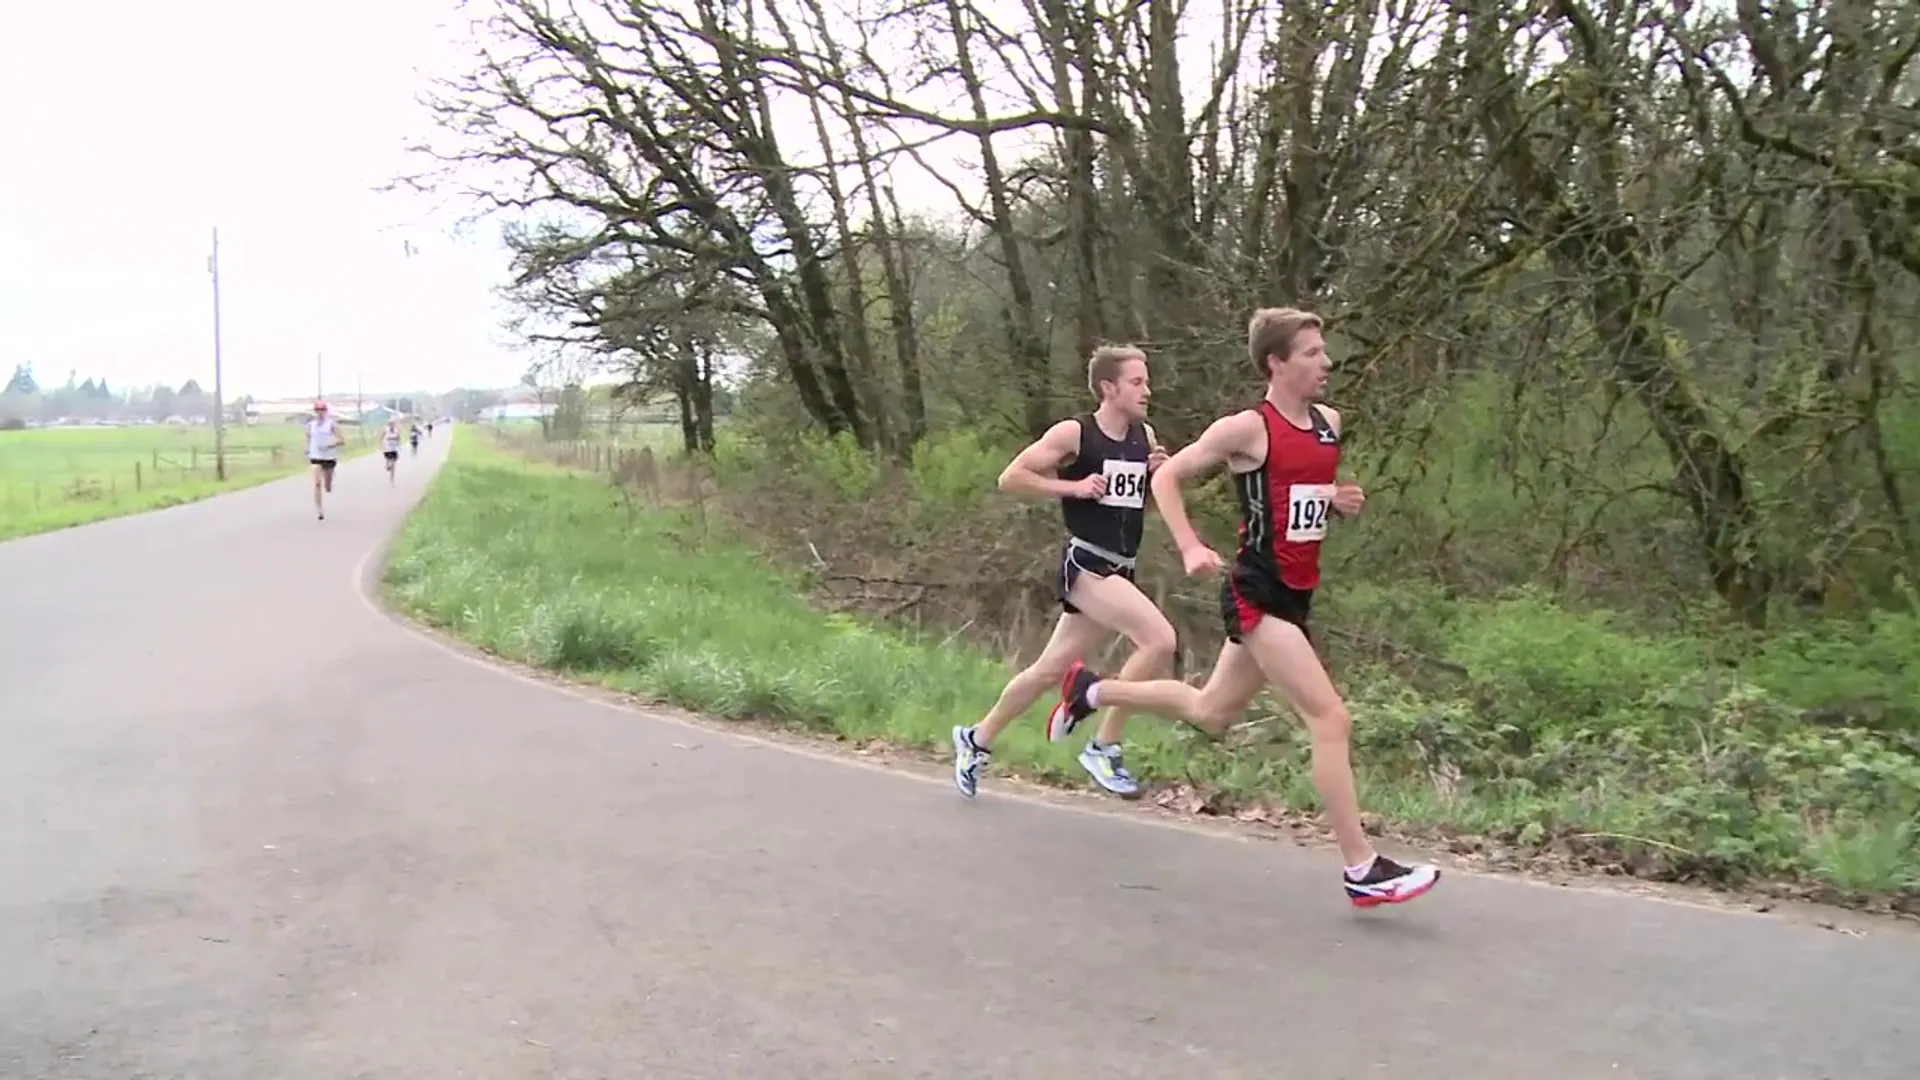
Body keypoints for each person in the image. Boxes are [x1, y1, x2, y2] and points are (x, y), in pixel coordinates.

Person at [1047, 308, 1441, 908]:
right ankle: (1362, 867)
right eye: (1311, 353)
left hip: (1296, 595)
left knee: (1210, 712)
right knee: (1331, 720)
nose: (1326, 363)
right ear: (1276, 364)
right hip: (1256, 593)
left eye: (1324, 351)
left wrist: (1332, 500)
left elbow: (1290, 496)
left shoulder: (1330, 424)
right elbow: (1166, 479)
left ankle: (1092, 692)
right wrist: (1188, 545)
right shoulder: (1245, 428)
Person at [951, 345, 1178, 801]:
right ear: (1108, 388)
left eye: (1146, 381)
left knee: (1048, 670)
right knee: (1159, 640)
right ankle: (1104, 745)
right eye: (1137, 382)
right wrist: (1071, 486)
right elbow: (1011, 476)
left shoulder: (1143, 436)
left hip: (1122, 566)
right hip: (1088, 564)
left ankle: (976, 739)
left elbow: (1138, 508)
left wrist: (1158, 477)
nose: (1147, 390)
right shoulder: (1077, 433)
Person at [306, 400, 345, 520]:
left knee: (327, 486)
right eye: (317, 410)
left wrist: (329, 445)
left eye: (322, 410)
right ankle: (319, 510)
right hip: (315, 456)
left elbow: (342, 440)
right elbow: (307, 438)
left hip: (329, 457)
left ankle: (328, 484)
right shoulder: (310, 425)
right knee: (317, 484)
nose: (319, 413)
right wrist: (307, 448)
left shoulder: (331, 424)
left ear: (326, 411)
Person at [381, 420, 402, 484]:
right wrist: (381, 443)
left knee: (394, 462)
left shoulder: (396, 430)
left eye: (393, 424)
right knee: (388, 458)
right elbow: (382, 436)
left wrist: (399, 444)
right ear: (389, 425)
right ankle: (387, 465)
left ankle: (392, 477)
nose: (392, 425)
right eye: (391, 424)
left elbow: (398, 438)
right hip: (387, 447)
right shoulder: (386, 430)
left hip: (394, 448)